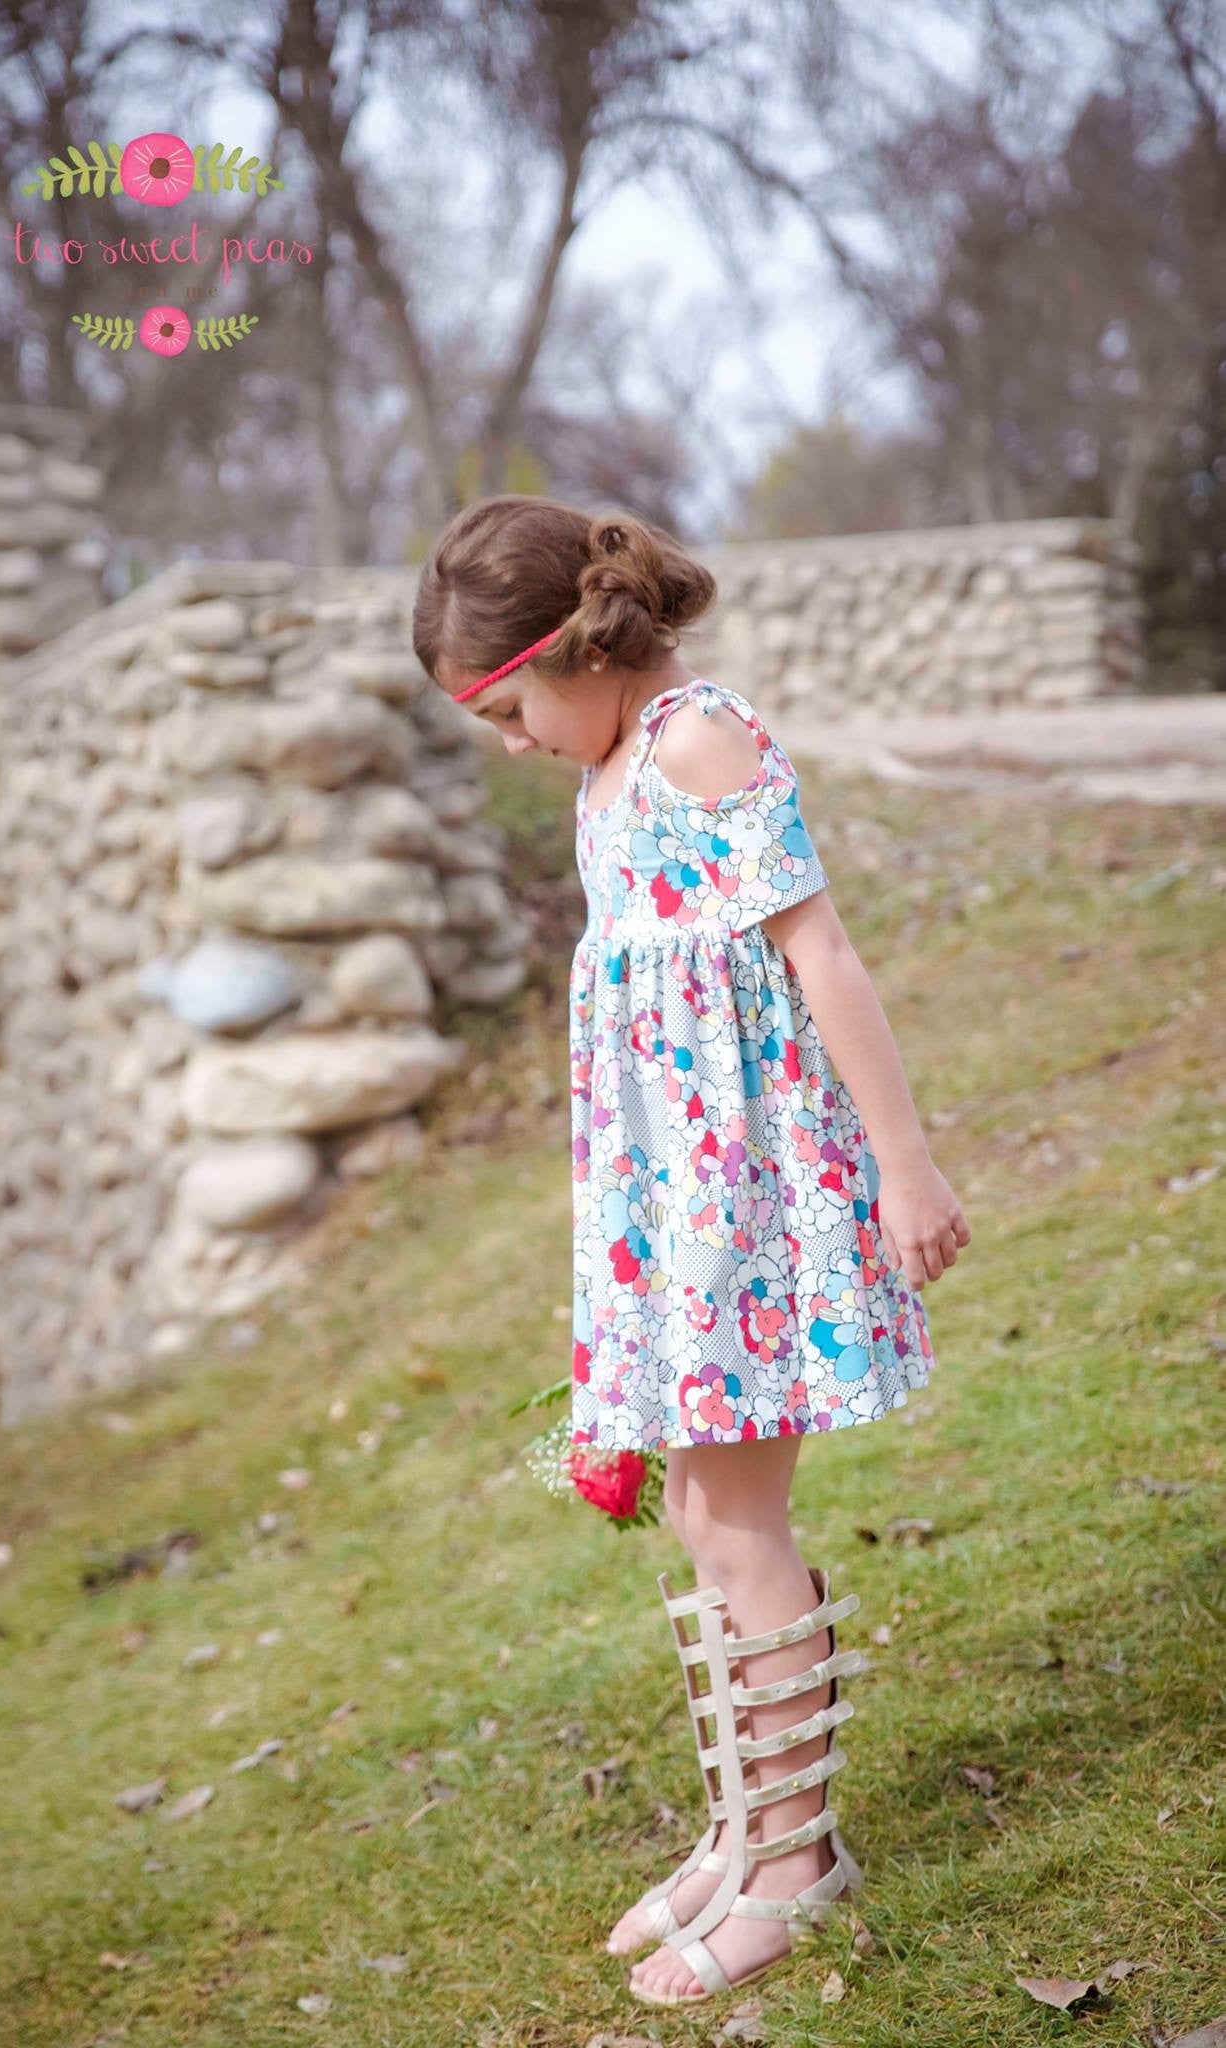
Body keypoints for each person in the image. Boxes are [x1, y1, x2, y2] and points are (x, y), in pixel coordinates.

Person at [412, 495, 970, 2009]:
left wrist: (905, 1162)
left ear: (579, 649)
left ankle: (795, 1866)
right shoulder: (605, 774)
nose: (511, 743)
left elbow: (820, 952)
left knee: (736, 1522)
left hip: (750, 1209)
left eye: (508, 709)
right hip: (672, 1211)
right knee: (698, 1517)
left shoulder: (699, 742)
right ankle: (741, 1832)